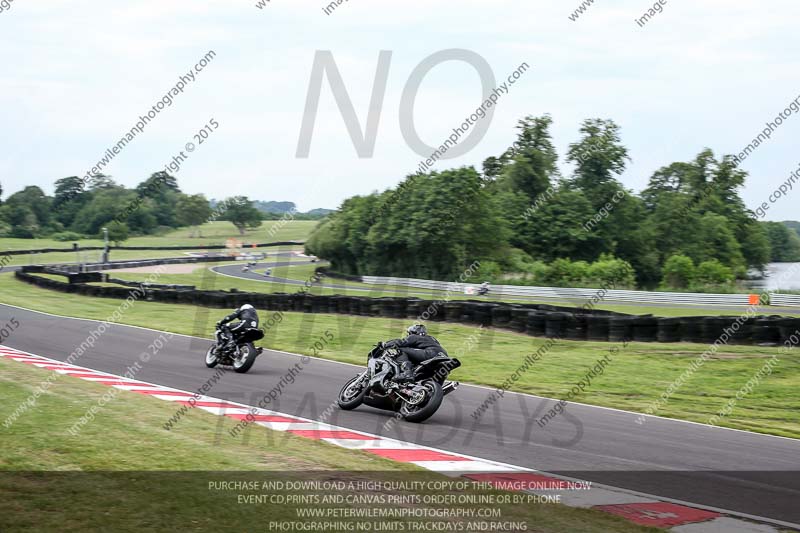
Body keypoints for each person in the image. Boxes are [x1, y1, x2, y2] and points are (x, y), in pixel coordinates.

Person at [383, 324, 448, 382]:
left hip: (431, 354)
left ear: (413, 332)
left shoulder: (414, 337)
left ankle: (407, 373)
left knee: (400, 350)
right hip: (444, 357)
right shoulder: (432, 339)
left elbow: (401, 342)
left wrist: (385, 344)